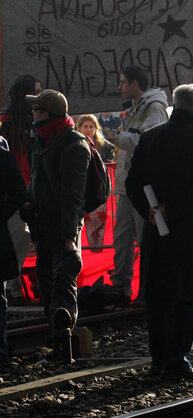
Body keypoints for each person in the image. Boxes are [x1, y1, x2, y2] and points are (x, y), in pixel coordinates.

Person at [125, 84, 193, 380]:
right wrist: (171, 211)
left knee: (158, 295)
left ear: (173, 106)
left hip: (155, 232)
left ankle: (158, 359)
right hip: (188, 233)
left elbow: (132, 182)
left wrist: (150, 212)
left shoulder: (150, 138)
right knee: (186, 296)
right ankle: (177, 360)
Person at [24, 89, 89, 361]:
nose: (32, 115)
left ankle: (65, 346)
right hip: (44, 226)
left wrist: (69, 236)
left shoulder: (73, 145)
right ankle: (56, 341)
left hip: (63, 229)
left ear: (46, 114)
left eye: (36, 110)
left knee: (63, 284)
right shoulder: (45, 140)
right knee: (49, 283)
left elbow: (72, 196)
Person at [111, 66, 169, 301]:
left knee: (144, 239)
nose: (120, 86)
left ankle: (148, 288)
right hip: (127, 185)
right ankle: (121, 286)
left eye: (123, 82)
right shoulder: (138, 108)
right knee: (122, 237)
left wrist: (119, 138)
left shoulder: (154, 108)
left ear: (135, 84)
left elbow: (152, 142)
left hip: (142, 188)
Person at [0, 75, 41, 304]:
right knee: (18, 235)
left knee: (23, 236)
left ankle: (12, 284)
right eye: (34, 91)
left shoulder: (33, 120)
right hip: (12, 188)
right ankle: (12, 285)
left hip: (28, 186)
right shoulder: (7, 121)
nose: (38, 95)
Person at [0, 143, 26, 363]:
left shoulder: (4, 158)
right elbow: (18, 192)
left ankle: (1, 350)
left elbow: (19, 193)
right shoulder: (5, 158)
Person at [76, 115, 115, 252]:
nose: (88, 129)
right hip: (83, 190)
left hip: (100, 189)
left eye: (91, 126)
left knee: (101, 222)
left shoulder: (105, 146)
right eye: (85, 126)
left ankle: (98, 249)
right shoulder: (75, 144)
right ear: (79, 128)